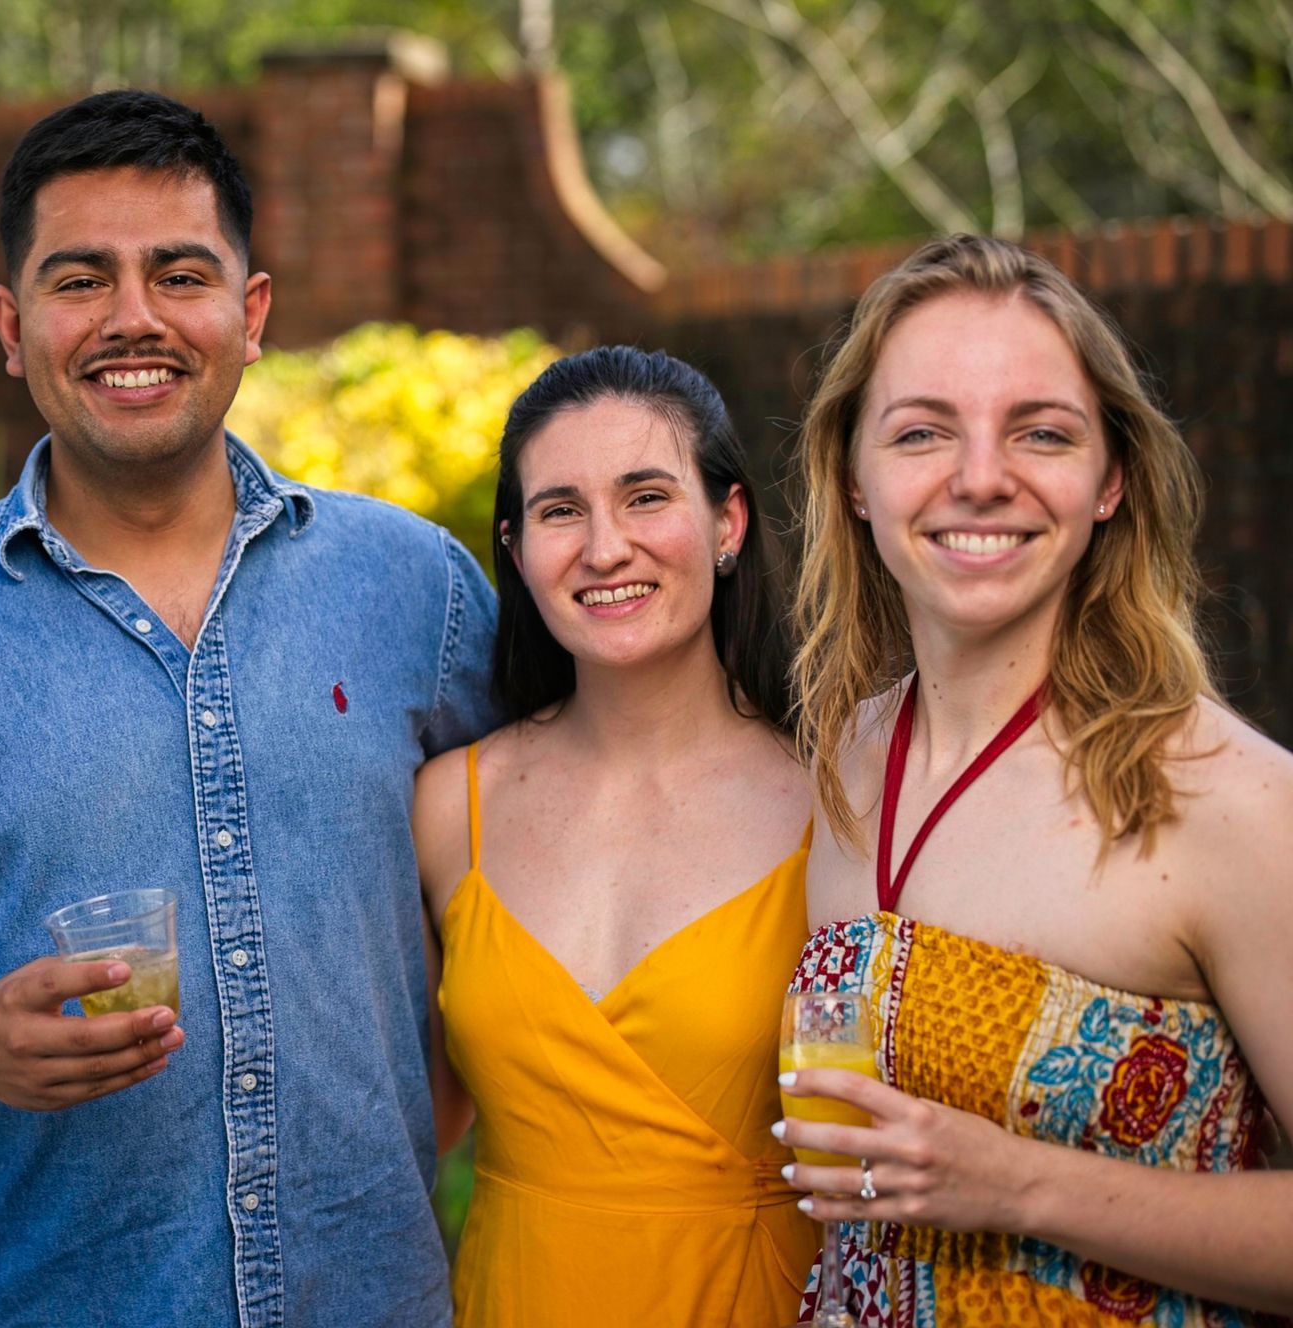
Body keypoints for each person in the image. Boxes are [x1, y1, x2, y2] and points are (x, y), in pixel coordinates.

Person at [0, 89, 501, 1327]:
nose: (132, 319)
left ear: (250, 316)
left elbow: (518, 883)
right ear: (12, 324)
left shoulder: (419, 593)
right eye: (80, 279)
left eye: (179, 273)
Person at [779, 233, 1293, 1324]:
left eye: (1041, 432)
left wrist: (1023, 1184)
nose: (979, 476)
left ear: (1110, 480)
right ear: (854, 481)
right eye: (921, 431)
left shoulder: (1231, 800)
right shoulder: (835, 766)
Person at [415, 345, 819, 1325]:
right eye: (561, 510)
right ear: (515, 550)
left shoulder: (837, 803)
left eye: (646, 496)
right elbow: (417, 1118)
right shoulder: (447, 806)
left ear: (726, 523)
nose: (604, 548)